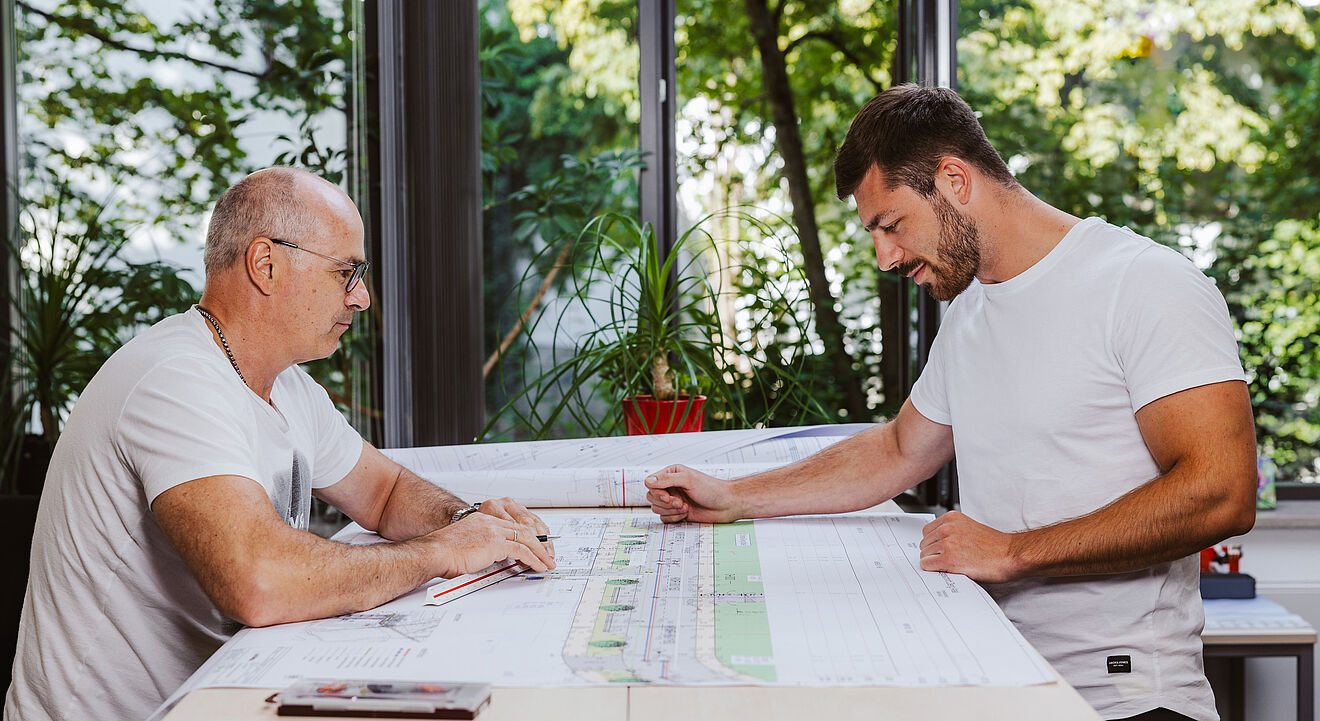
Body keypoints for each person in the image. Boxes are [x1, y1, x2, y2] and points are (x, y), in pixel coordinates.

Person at [645, 85, 1256, 721]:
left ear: (954, 179)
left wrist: (1012, 552)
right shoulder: (971, 310)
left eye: (891, 224)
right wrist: (736, 496)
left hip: (1125, 701)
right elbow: (898, 449)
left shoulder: (1145, 284)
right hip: (994, 674)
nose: (885, 256)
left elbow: (1221, 491)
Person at [4, 167, 556, 721]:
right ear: (265, 264)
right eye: (347, 272)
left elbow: (383, 493)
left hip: (220, 694)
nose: (361, 297)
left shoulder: (286, 384)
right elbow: (259, 581)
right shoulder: (174, 379)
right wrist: (440, 554)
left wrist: (464, 522)